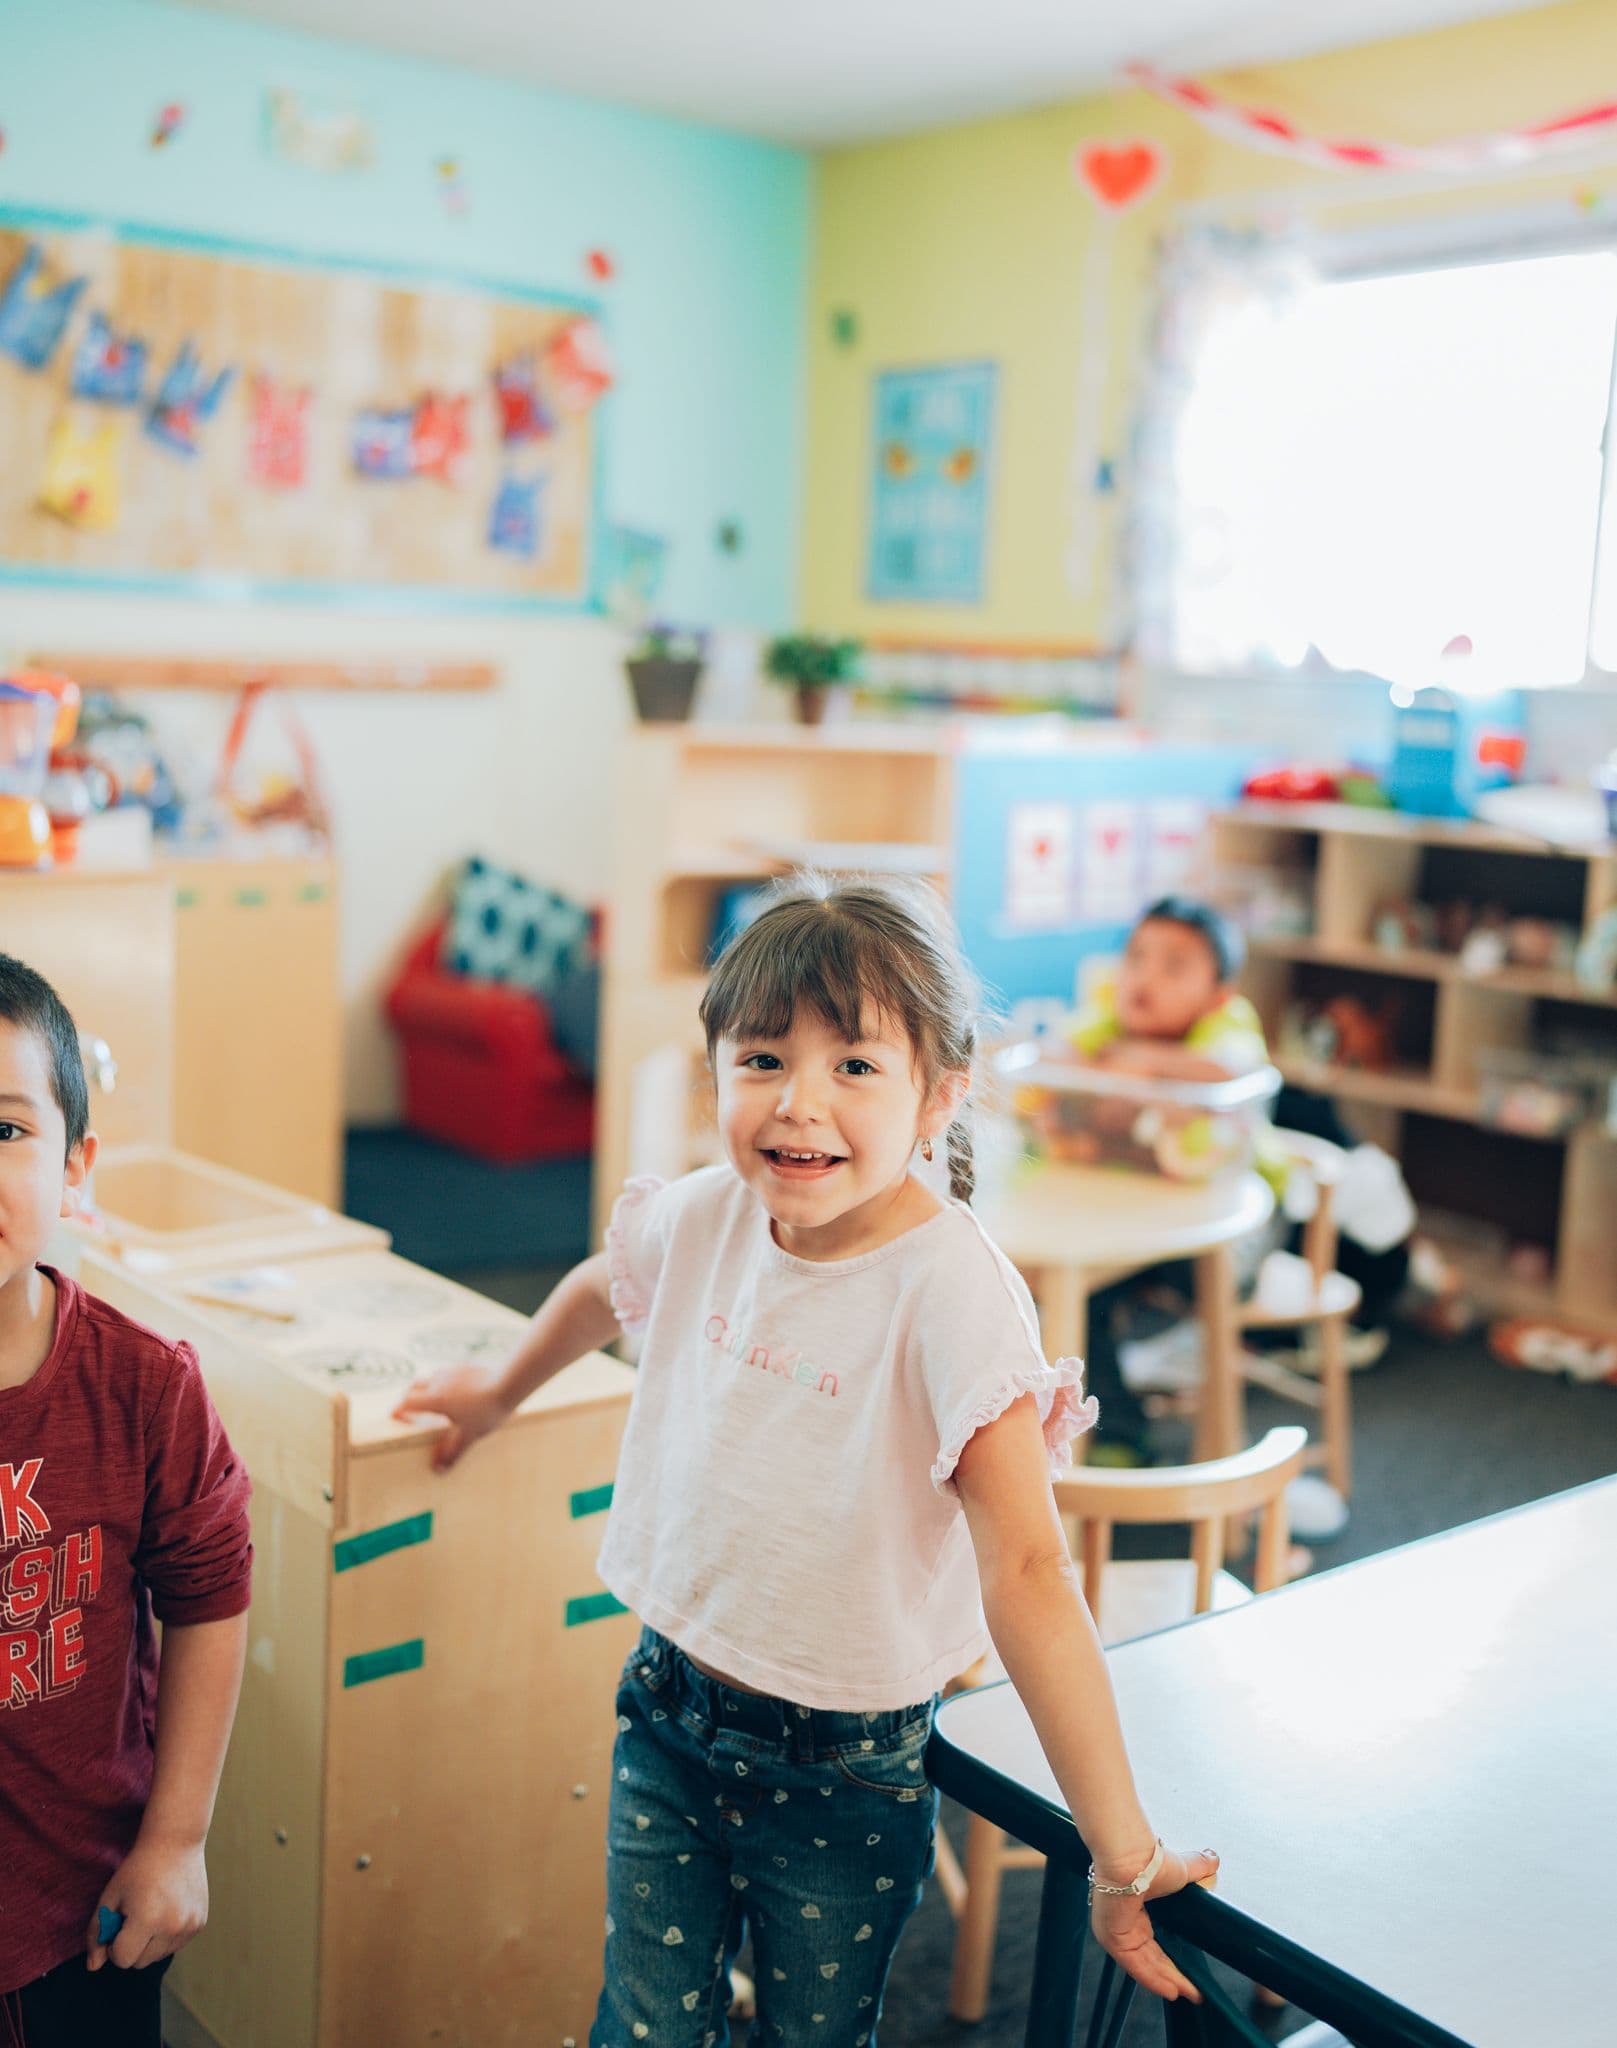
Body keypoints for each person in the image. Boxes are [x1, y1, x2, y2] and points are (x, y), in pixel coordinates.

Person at [397, 874, 1218, 2045]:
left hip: (846, 1765)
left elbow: (1031, 1572)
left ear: (942, 1093)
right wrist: (494, 1391)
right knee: (641, 2024)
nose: (800, 1104)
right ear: (719, 1069)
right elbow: (601, 1284)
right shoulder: (707, 1214)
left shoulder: (955, 1294)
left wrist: (1120, 1849)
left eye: (855, 1066)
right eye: (765, 1059)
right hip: (671, 1710)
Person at [0, 955, 253, 2048]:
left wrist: (179, 1835)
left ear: (72, 1169)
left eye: (4, 1127)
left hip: (82, 1914)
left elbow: (209, 1597)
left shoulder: (144, 1385)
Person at [1047, 896, 1267, 1464]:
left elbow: (1236, 1070)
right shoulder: (1105, 1025)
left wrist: (1140, 1059)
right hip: (1123, 1228)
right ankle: (1117, 1428)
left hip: (1219, 1238)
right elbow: (1050, 1065)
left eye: (1174, 967)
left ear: (1218, 995)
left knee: (1084, 1286)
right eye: (1136, 958)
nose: (1145, 978)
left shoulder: (1226, 1030)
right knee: (1070, 1291)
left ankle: (1124, 1433)